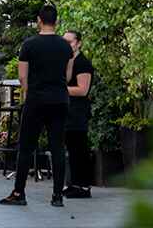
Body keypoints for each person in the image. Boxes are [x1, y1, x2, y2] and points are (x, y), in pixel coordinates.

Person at [0, 4, 73, 208]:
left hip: (36, 100)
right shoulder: (66, 46)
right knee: (57, 147)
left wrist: (29, 92)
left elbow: (22, 76)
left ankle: (18, 192)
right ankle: (57, 195)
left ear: (39, 20)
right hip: (59, 99)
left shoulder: (29, 44)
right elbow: (67, 76)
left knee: (26, 147)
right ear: (56, 21)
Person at [63, 30, 94, 199]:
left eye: (70, 42)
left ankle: (83, 185)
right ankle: (74, 183)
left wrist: (60, 89)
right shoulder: (67, 62)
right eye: (64, 42)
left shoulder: (83, 63)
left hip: (78, 111)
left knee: (80, 148)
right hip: (68, 110)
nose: (67, 45)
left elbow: (83, 90)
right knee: (72, 148)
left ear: (78, 43)